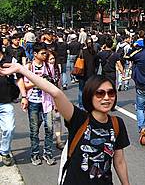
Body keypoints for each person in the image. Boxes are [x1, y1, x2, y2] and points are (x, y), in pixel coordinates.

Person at [0, 62, 130, 184]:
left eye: (111, 93)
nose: (107, 98)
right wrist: (22, 70)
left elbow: (119, 161)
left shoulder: (117, 123)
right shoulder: (78, 118)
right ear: (90, 95)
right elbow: (55, 93)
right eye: (100, 93)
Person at [24, 43, 57, 165]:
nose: (45, 56)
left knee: (49, 128)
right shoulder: (28, 67)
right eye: (42, 53)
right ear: (35, 54)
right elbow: (25, 85)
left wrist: (56, 102)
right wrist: (37, 81)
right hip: (33, 102)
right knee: (34, 130)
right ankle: (35, 154)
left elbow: (52, 84)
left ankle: (48, 153)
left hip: (47, 102)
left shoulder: (49, 67)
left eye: (46, 53)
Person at [0, 47, 27, 167]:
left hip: (5, 102)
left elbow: (19, 79)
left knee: (9, 128)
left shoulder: (10, 61)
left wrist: (24, 96)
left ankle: (4, 151)